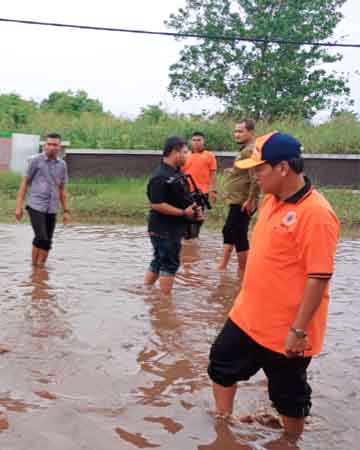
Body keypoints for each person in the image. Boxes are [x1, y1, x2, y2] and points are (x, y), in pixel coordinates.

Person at [208, 132, 340, 439]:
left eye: (260, 168)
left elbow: (319, 276)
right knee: (220, 365)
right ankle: (223, 427)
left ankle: (289, 441)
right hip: (248, 316)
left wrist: (298, 330)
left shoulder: (317, 214)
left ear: (283, 168)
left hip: (287, 329)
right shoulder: (271, 201)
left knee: (288, 397)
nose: (255, 175)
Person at [144, 136, 203, 295]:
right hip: (164, 228)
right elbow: (156, 204)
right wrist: (183, 213)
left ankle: (147, 293)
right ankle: (165, 304)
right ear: (175, 152)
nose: (187, 155)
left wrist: (194, 210)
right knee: (169, 263)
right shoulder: (160, 176)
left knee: (159, 261)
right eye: (185, 152)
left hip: (171, 227)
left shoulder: (175, 173)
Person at [14, 133, 70, 266]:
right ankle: (35, 267)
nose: (51, 147)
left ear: (59, 147)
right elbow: (25, 183)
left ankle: (39, 268)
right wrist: (18, 207)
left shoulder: (62, 165)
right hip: (35, 205)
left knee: (47, 241)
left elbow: (62, 189)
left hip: (52, 207)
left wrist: (66, 210)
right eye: (49, 144)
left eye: (55, 144)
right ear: (45, 145)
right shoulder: (36, 161)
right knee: (41, 237)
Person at [218, 119, 260, 271]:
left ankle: (244, 271)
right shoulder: (245, 149)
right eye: (235, 131)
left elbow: (255, 177)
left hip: (243, 200)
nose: (237, 134)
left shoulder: (250, 150)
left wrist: (251, 199)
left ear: (251, 132)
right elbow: (242, 173)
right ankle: (223, 265)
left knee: (238, 233)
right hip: (237, 199)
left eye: (240, 131)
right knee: (229, 230)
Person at [181, 131, 217, 239]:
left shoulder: (209, 156)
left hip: (202, 193)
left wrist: (214, 191)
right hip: (186, 193)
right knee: (186, 218)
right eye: (194, 140)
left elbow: (213, 174)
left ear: (203, 141)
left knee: (197, 219)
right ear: (190, 142)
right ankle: (188, 242)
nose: (196, 142)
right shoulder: (185, 155)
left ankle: (193, 240)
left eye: (199, 140)